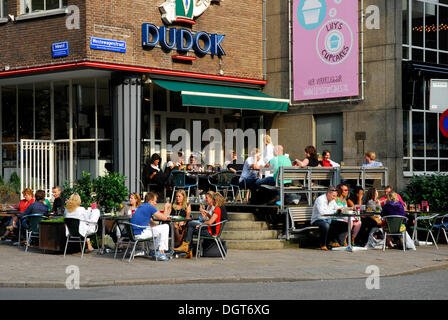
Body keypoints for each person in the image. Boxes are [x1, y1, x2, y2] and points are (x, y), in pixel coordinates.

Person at [175, 192, 227, 258]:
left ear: (215, 200)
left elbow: (210, 222)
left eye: (213, 199)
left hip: (211, 232)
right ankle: (188, 249)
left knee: (190, 224)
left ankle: (187, 247)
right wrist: (207, 214)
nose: (212, 201)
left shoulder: (217, 209)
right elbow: (213, 219)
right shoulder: (219, 208)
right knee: (191, 228)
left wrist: (201, 225)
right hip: (211, 230)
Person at [130, 192, 170, 261]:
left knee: (159, 230)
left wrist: (152, 223)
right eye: (155, 201)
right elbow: (164, 218)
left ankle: (153, 250)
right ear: (151, 201)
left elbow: (146, 217)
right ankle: (161, 252)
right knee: (165, 227)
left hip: (134, 232)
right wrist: (166, 208)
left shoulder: (142, 206)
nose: (156, 203)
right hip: (140, 234)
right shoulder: (150, 207)